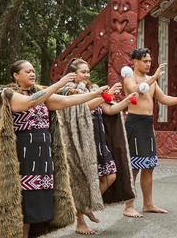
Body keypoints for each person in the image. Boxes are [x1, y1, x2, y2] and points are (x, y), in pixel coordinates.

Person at [0, 60, 106, 237]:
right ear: (16, 75)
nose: (32, 74)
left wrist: (97, 94)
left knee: (37, 210)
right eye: (27, 71)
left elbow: (66, 101)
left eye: (33, 71)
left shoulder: (41, 94)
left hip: (43, 157)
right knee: (23, 205)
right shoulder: (8, 94)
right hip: (23, 156)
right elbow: (29, 103)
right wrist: (59, 83)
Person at [56, 58, 136, 235]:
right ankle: (80, 222)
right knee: (82, 181)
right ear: (73, 74)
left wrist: (127, 100)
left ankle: (86, 206)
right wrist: (103, 96)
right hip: (80, 142)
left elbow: (110, 110)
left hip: (98, 141)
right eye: (83, 71)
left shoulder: (93, 90)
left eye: (87, 71)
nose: (87, 74)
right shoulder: (67, 91)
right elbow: (84, 106)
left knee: (110, 176)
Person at [121, 48, 177, 218]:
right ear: (135, 62)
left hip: (147, 124)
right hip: (134, 123)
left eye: (150, 61)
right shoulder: (130, 77)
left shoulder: (150, 80)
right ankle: (128, 206)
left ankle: (148, 204)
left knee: (149, 166)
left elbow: (163, 98)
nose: (148, 64)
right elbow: (135, 90)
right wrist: (154, 78)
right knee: (134, 167)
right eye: (145, 61)